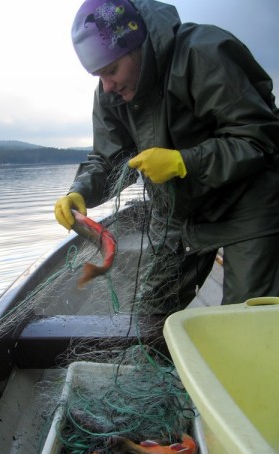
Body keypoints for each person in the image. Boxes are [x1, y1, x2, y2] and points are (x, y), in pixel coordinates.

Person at [55, 0, 279, 319]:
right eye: (98, 76)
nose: (107, 86)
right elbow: (107, 159)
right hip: (178, 213)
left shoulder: (202, 52)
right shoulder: (110, 93)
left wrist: (184, 162)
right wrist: (80, 191)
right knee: (151, 313)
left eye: (111, 71)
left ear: (138, 46)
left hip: (247, 203)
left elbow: (259, 135)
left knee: (246, 320)